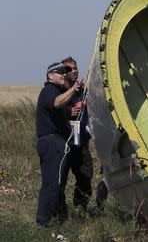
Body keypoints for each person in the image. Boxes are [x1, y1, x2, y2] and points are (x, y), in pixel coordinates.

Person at [35, 62, 82, 227]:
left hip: (55, 142)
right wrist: (74, 89)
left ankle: (52, 218)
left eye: (65, 72)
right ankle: (44, 221)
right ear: (50, 76)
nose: (63, 74)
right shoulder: (49, 90)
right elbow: (56, 103)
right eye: (59, 72)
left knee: (54, 182)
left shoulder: (57, 91)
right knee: (53, 183)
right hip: (52, 142)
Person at [61, 56, 93, 211]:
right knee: (61, 178)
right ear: (62, 72)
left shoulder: (83, 91)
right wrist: (68, 112)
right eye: (69, 69)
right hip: (64, 143)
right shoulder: (59, 91)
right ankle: (60, 211)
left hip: (81, 142)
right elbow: (51, 109)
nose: (73, 71)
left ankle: (80, 208)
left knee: (86, 175)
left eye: (75, 68)